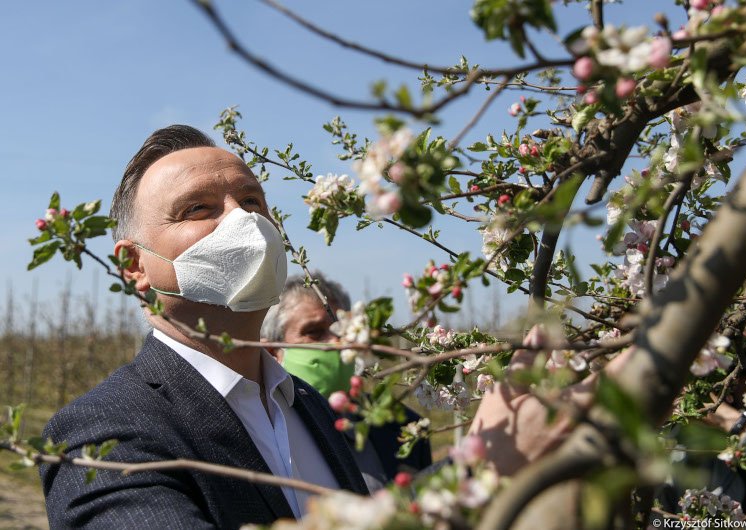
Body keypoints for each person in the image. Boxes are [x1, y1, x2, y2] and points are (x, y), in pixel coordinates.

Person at [38, 124, 561, 528]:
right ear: (135, 267)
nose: (244, 223)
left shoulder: (307, 404)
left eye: (251, 202)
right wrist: (479, 469)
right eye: (198, 209)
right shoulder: (100, 437)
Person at [261, 272, 432, 491]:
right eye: (314, 332)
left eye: (342, 330)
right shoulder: (259, 437)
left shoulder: (403, 429)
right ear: (272, 352)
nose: (337, 342)